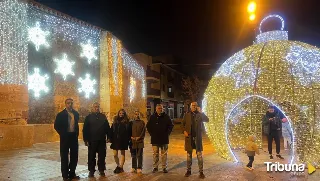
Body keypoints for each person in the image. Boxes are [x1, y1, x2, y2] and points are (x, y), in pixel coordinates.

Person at [54, 98, 80, 181]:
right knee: (64, 156)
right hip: (65, 137)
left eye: (71, 103)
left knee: (74, 156)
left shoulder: (76, 113)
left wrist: (77, 134)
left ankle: (72, 173)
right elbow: (56, 126)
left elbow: (76, 125)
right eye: (68, 103)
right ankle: (65, 175)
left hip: (73, 137)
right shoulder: (61, 114)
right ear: (65, 104)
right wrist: (62, 133)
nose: (70, 104)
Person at [83, 102, 110, 178]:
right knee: (91, 156)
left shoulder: (103, 116)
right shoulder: (88, 117)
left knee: (102, 156)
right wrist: (86, 140)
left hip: (101, 140)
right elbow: (85, 129)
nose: (96, 108)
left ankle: (101, 170)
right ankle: (91, 171)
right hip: (92, 140)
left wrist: (109, 137)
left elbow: (107, 127)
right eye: (95, 107)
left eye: (97, 107)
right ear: (92, 108)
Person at [182, 102, 209, 179]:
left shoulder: (200, 114)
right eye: (192, 105)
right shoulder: (187, 114)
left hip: (197, 138)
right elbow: (182, 124)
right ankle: (188, 171)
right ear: (190, 107)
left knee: (199, 155)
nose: (194, 107)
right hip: (189, 138)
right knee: (189, 155)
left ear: (197, 106)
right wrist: (184, 131)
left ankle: (201, 172)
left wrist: (201, 112)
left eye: (195, 105)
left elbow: (207, 120)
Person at [146, 104, 174, 173]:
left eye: (161, 108)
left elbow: (171, 125)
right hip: (155, 139)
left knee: (164, 154)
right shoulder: (152, 117)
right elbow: (148, 126)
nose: (160, 110)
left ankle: (164, 167)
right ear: (156, 109)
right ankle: (155, 167)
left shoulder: (166, 117)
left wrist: (167, 133)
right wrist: (151, 134)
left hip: (164, 139)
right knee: (155, 154)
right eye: (159, 108)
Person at [110, 109, 131, 174]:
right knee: (115, 154)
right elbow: (111, 130)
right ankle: (118, 165)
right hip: (115, 140)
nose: (121, 114)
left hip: (123, 140)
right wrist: (110, 138)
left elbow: (129, 131)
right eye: (120, 113)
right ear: (118, 113)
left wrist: (128, 139)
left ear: (124, 114)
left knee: (122, 153)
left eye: (123, 113)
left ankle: (121, 167)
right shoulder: (115, 121)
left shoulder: (127, 122)